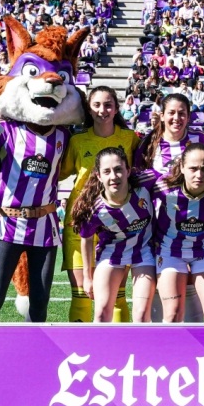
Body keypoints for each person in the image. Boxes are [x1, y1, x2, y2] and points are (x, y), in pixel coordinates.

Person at [60, 86, 139, 323]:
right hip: (79, 222)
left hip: (118, 226)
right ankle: (80, 352)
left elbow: (143, 174)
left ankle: (121, 353)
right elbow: (56, 173)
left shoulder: (130, 139)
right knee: (82, 294)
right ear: (89, 109)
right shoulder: (77, 141)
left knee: (116, 296)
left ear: (116, 108)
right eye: (96, 105)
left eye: (108, 104)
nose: (102, 110)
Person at [70, 148, 156, 323]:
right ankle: (100, 350)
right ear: (99, 176)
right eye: (107, 171)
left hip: (144, 252)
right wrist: (87, 278)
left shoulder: (146, 183)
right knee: (102, 313)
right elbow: (86, 241)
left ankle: (142, 350)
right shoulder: (93, 209)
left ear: (128, 171)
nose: (114, 176)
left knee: (141, 315)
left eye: (118, 169)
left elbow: (177, 175)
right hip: (112, 253)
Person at [151, 143, 204, 322]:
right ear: (182, 168)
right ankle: (171, 350)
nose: (199, 175)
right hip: (170, 251)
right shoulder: (162, 186)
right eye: (193, 168)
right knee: (172, 314)